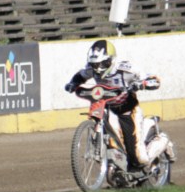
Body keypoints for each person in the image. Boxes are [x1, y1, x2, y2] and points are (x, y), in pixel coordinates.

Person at [64, 39, 174, 173]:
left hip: (128, 111)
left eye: (102, 63)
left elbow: (154, 80)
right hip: (108, 109)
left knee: (140, 160)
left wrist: (142, 84)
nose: (98, 68)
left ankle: (163, 140)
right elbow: (80, 76)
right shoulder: (91, 69)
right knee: (114, 142)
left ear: (111, 60)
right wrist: (73, 84)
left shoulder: (127, 69)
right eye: (95, 64)